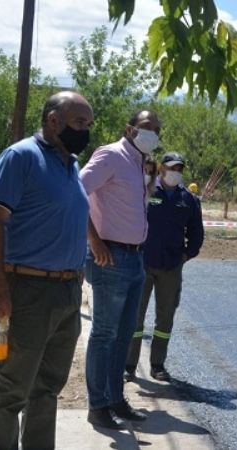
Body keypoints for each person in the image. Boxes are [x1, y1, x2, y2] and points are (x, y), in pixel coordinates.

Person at [0, 91, 93, 449]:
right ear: (53, 121)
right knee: (11, 387)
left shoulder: (70, 164)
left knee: (46, 389)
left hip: (66, 293)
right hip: (25, 292)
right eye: (80, 122)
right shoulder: (21, 157)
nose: (86, 131)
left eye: (89, 124)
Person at [81, 110, 161, 430]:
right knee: (105, 334)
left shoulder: (139, 163)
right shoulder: (111, 155)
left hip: (135, 259)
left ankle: (115, 399)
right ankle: (98, 406)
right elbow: (76, 191)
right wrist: (94, 241)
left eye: (157, 129)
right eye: (147, 127)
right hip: (110, 257)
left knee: (123, 335)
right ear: (129, 129)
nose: (153, 133)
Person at [125, 153, 203, 382]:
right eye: (171, 168)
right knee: (134, 317)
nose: (175, 172)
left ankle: (157, 365)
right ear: (161, 168)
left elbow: (196, 232)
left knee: (165, 319)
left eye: (179, 168)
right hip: (143, 263)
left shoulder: (188, 199)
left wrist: (186, 255)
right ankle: (128, 365)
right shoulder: (146, 191)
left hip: (171, 267)